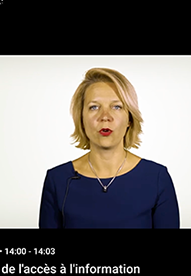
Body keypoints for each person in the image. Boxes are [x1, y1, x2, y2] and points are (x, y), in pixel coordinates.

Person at [40, 68, 179, 229]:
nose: (105, 116)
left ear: (129, 119)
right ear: (81, 118)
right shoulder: (57, 180)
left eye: (117, 107)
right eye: (94, 107)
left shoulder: (157, 178)